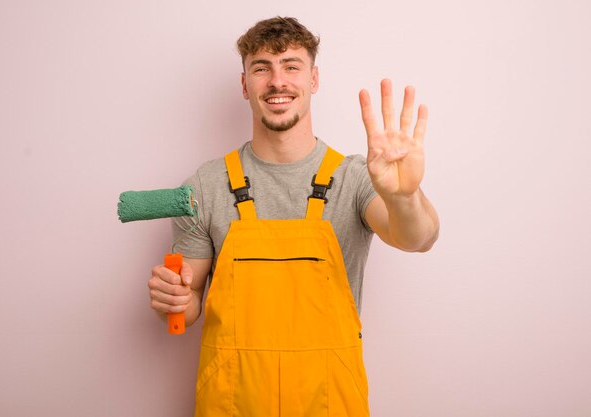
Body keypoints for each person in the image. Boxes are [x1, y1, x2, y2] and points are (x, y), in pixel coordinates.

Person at [148, 16, 439, 416]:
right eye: (261, 67)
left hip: (329, 400)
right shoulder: (203, 187)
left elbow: (418, 238)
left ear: (313, 80)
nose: (277, 81)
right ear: (245, 83)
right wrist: (175, 299)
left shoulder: (355, 177)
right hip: (232, 402)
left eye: (291, 66)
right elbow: (188, 302)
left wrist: (403, 196)